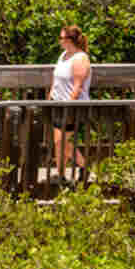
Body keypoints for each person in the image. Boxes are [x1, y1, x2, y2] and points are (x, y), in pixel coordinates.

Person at [49, 25, 91, 183]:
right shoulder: (64, 55)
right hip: (57, 102)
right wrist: (49, 100)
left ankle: (84, 166)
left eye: (61, 38)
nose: (59, 41)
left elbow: (77, 86)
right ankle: (60, 175)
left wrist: (68, 106)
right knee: (58, 142)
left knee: (61, 142)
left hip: (72, 106)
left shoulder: (80, 58)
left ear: (69, 40)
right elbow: (56, 80)